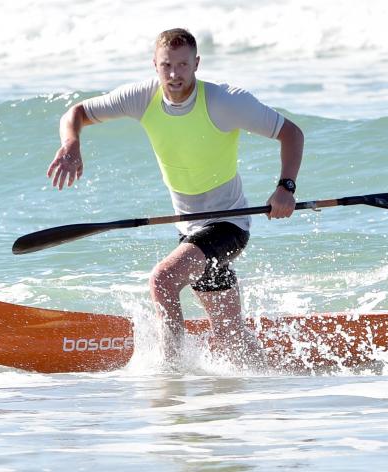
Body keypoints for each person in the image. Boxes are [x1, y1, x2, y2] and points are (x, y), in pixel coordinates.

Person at [46, 28, 304, 365]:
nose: (174, 74)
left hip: (229, 225)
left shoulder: (226, 102)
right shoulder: (142, 98)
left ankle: (171, 372)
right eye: (167, 65)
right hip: (189, 230)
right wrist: (71, 143)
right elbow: (76, 113)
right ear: (154, 64)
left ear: (196, 63)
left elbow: (291, 133)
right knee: (230, 336)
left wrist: (286, 187)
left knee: (163, 279)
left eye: (182, 65)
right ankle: (269, 382)